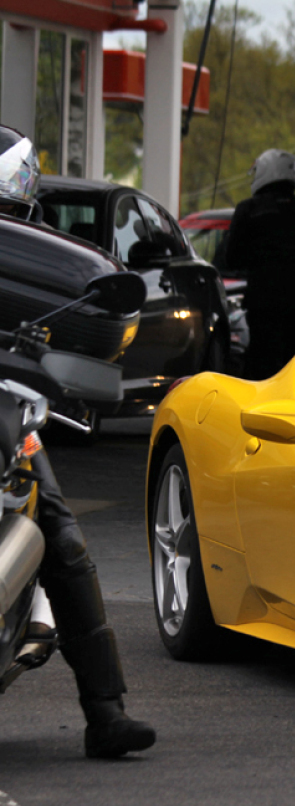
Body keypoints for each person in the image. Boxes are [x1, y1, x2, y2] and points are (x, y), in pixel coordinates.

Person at [0, 125, 155, 758]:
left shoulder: (27, 274)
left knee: (62, 535)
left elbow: (78, 316)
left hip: (7, 415)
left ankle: (105, 712)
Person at [224, 149, 295, 379]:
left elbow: (230, 257)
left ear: (265, 171)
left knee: (261, 359)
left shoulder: (248, 210)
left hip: (261, 297)